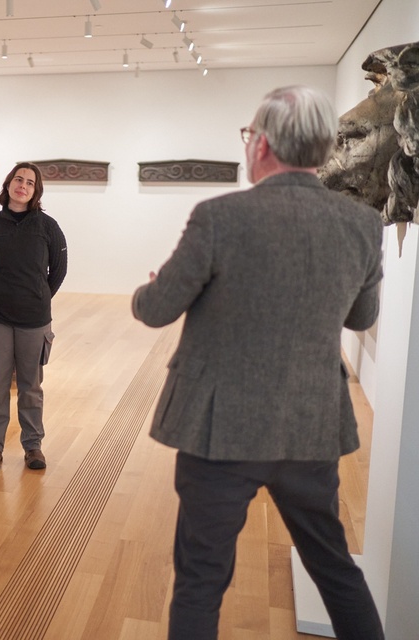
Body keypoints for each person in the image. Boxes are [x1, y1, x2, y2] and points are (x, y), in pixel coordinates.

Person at [132, 86, 385, 640]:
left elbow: (155, 310)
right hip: (309, 424)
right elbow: (361, 316)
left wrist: (154, 290)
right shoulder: (362, 223)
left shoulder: (219, 216)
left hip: (220, 431)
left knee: (201, 579)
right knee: (336, 569)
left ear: (263, 144)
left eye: (249, 137)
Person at [0, 162, 67, 472]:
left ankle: (33, 447)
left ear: (35, 191)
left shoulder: (48, 227)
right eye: (18, 179)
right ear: (9, 184)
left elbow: (59, 270)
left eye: (30, 182)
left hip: (34, 320)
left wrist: (37, 295)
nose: (23, 185)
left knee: (31, 387)